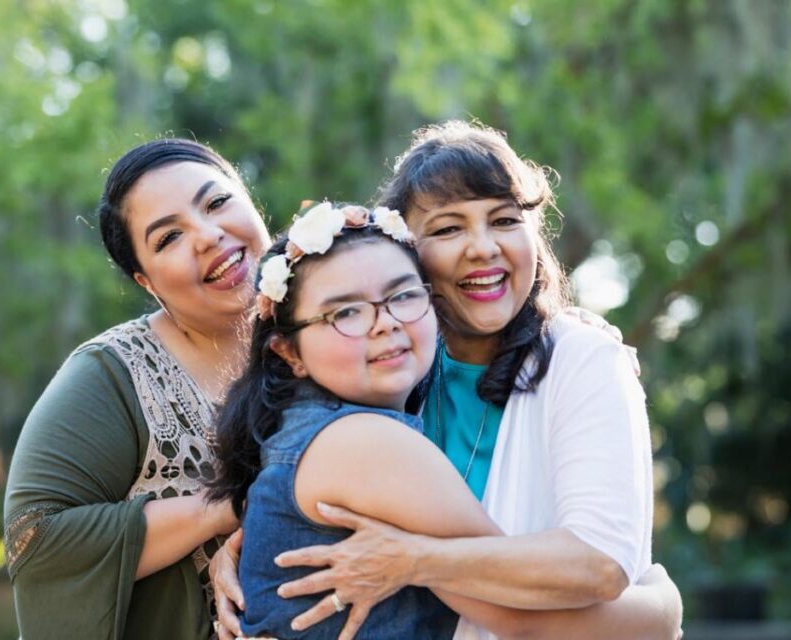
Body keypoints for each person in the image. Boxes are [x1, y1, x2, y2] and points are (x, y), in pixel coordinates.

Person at [214, 121, 681, 640]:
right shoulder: (393, 369)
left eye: (504, 220)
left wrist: (415, 560)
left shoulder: (578, 358)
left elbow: (598, 565)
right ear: (411, 254)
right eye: (448, 228)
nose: (482, 247)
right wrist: (250, 545)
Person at [3, 139, 269, 639]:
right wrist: (226, 507)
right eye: (169, 237)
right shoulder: (113, 375)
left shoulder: (338, 322)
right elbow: (32, 541)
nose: (208, 235)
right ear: (146, 281)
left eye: (216, 203)